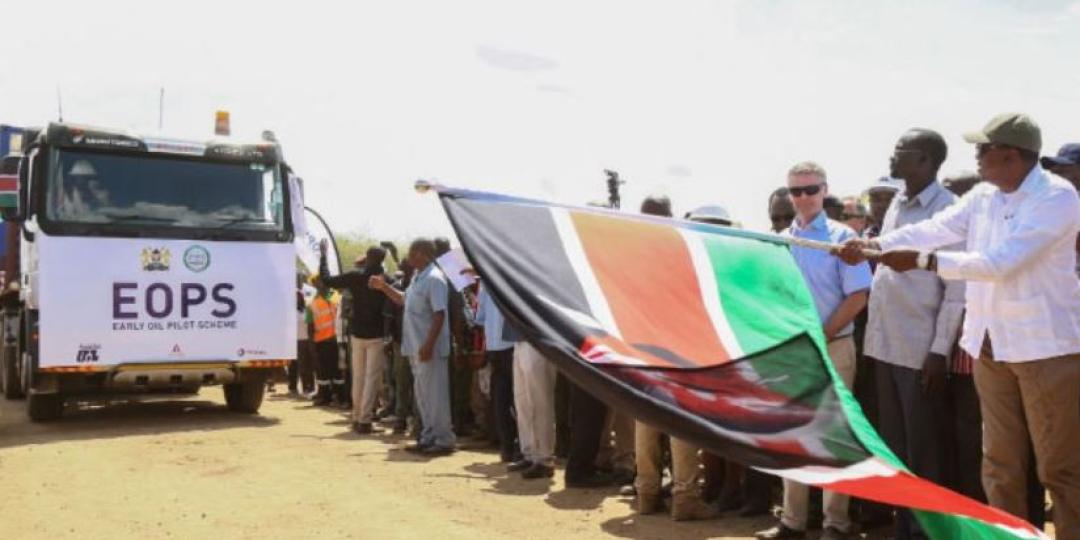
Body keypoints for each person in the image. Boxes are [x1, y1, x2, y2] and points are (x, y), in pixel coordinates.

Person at [839, 113, 1080, 539]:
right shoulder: (984, 195)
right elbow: (937, 228)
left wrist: (922, 261)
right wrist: (877, 244)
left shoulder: (1056, 197)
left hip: (1044, 348)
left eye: (983, 149)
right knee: (999, 464)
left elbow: (1001, 263)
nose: (976, 156)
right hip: (989, 345)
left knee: (1058, 467)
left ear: (1011, 155)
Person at [756, 161, 871, 540]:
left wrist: (822, 334)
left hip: (834, 347)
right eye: (796, 191)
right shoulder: (783, 241)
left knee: (833, 435)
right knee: (794, 433)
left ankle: (835, 524)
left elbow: (858, 295)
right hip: (795, 349)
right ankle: (793, 521)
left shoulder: (840, 239)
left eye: (810, 190)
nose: (803, 198)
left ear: (824, 191)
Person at [863, 128, 963, 539]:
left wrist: (939, 351)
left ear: (925, 160)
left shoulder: (949, 209)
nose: (893, 154)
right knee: (896, 450)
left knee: (925, 453)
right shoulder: (898, 204)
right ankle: (905, 528)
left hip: (919, 350)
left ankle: (926, 532)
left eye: (901, 149)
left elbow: (956, 290)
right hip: (885, 345)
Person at [630, 196, 717, 520]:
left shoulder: (633, 255)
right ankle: (685, 497)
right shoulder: (678, 250)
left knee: (646, 420)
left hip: (642, 348)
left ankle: (647, 492)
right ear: (670, 215)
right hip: (677, 347)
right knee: (680, 422)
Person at [370, 238, 456, 455]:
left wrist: (428, 345)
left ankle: (443, 440)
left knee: (435, 396)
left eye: (411, 252)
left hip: (430, 349)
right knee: (423, 396)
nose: (408, 257)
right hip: (415, 347)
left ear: (422, 254)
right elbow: (403, 299)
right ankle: (428, 437)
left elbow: (439, 315)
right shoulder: (418, 277)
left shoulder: (435, 279)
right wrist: (383, 288)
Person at [319, 241, 391, 434]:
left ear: (367, 258)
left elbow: (327, 280)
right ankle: (365, 421)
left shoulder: (355, 276)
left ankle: (357, 417)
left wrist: (323, 256)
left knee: (358, 377)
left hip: (356, 333)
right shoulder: (385, 280)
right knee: (371, 378)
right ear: (383, 260)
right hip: (376, 334)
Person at [473, 282, 521, 464]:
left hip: (496, 346)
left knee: (501, 400)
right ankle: (518, 447)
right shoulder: (505, 277)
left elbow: (480, 319)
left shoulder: (486, 283)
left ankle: (508, 447)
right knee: (517, 400)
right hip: (510, 345)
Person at [308, 277, 344, 406]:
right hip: (321, 341)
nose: (319, 284)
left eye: (320, 281)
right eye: (316, 283)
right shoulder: (312, 302)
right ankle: (325, 396)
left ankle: (339, 396)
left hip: (335, 340)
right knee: (323, 371)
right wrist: (311, 344)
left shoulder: (334, 296)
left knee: (336, 370)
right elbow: (310, 324)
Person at [289, 280, 315, 396]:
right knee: (300, 366)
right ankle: (300, 387)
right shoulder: (290, 312)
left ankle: (311, 387)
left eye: (298, 296)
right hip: (296, 341)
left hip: (307, 340)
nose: (297, 298)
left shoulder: (306, 310)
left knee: (308, 365)